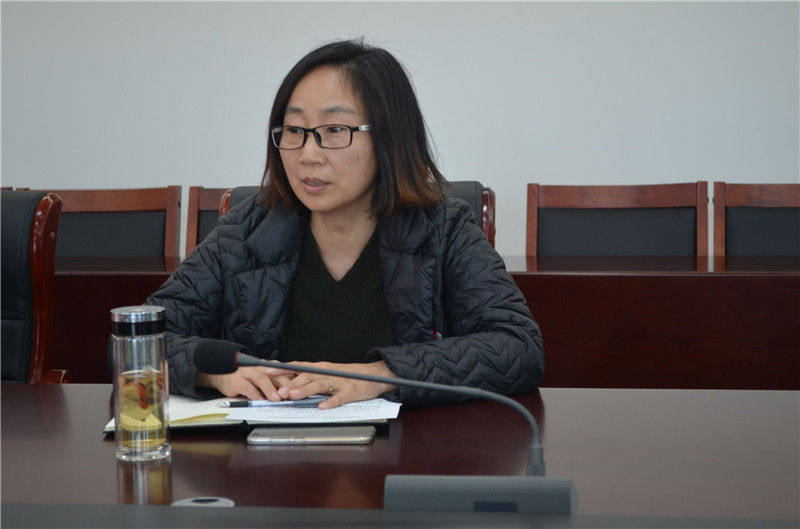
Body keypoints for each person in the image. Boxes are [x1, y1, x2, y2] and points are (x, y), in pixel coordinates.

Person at [147, 39, 544, 409]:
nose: (308, 154)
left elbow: (518, 347)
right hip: (270, 454)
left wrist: (381, 376)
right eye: (295, 130)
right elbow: (142, 337)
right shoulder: (244, 232)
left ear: (389, 138)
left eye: (334, 130)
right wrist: (214, 373)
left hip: (408, 453)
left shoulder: (443, 229)